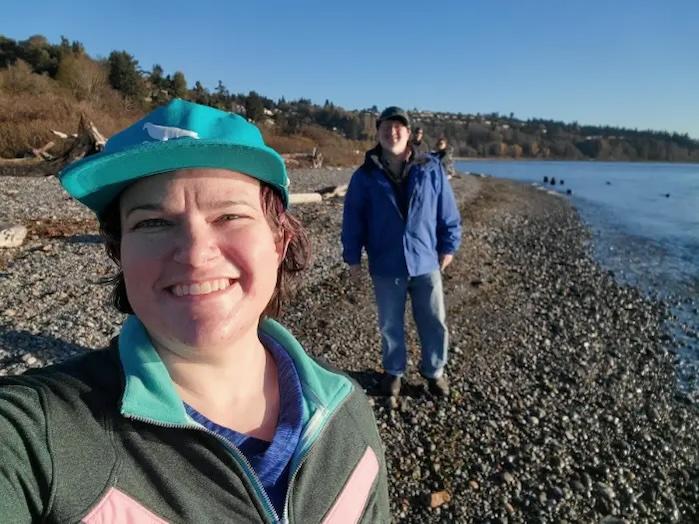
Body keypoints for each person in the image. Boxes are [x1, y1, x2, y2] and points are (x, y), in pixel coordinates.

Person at [0, 99, 390, 523]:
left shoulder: (348, 418)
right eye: (153, 223)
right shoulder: (38, 435)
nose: (194, 253)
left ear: (278, 242)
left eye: (228, 216)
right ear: (119, 253)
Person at [341, 106, 462, 398]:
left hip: (425, 261)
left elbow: (447, 210)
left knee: (433, 321)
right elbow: (353, 218)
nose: (392, 131)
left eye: (399, 127)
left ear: (409, 133)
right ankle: (394, 372)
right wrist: (353, 259)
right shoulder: (365, 175)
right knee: (390, 324)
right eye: (386, 126)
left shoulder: (431, 167)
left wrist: (449, 245)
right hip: (386, 263)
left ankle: (434, 372)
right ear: (378, 131)